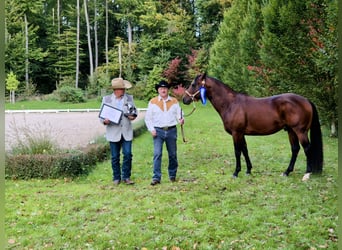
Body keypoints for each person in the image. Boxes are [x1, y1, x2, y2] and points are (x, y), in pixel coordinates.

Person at [145, 80, 184, 185]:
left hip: (171, 130)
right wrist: (151, 129)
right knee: (157, 154)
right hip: (158, 131)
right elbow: (148, 118)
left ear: (168, 90)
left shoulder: (174, 101)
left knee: (172, 154)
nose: (163, 90)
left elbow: (179, 113)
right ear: (158, 90)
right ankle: (156, 177)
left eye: (165, 88)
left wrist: (181, 119)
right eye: (161, 88)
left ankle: (172, 175)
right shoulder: (152, 102)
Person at [99, 77, 138, 185]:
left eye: (122, 88)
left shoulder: (129, 98)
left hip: (126, 132)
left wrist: (133, 116)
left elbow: (135, 111)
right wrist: (105, 121)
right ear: (114, 90)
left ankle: (126, 177)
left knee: (128, 154)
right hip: (113, 132)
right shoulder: (106, 99)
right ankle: (116, 177)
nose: (121, 91)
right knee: (115, 156)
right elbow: (101, 117)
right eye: (119, 89)